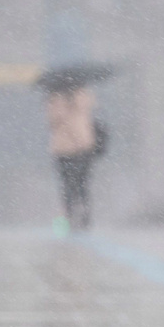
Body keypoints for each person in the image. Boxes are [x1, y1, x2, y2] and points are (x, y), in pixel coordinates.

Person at [46, 85, 98, 230]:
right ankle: (70, 216)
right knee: (67, 185)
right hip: (63, 149)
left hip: (82, 147)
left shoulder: (82, 96)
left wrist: (73, 102)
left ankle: (84, 217)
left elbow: (86, 110)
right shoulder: (55, 99)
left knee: (82, 184)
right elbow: (53, 120)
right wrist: (62, 103)